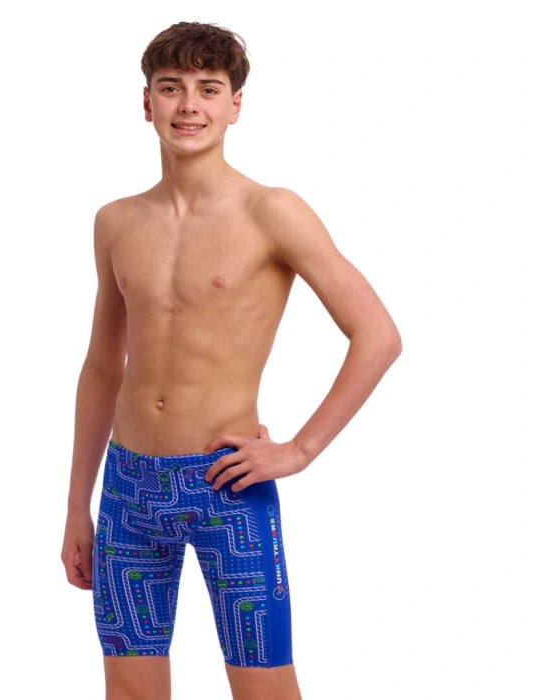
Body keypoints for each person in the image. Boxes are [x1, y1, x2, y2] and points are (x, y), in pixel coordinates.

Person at [61, 21, 401, 700]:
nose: (189, 105)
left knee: (264, 689)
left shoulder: (272, 211)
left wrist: (300, 450)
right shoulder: (116, 221)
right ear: (147, 102)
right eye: (171, 88)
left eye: (208, 89)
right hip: (128, 490)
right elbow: (102, 365)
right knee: (129, 692)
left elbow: (377, 334)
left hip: (227, 485)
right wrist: (77, 503)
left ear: (235, 105)